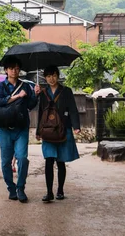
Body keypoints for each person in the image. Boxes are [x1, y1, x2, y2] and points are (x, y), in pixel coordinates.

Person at [0, 56, 37, 203]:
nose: (14, 71)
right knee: (6, 161)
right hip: (5, 128)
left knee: (22, 158)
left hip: (21, 127)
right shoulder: (1, 86)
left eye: (17, 68)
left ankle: (20, 188)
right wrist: (17, 96)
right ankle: (11, 188)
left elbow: (30, 105)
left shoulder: (25, 86)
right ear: (6, 70)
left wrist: (35, 95)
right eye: (11, 68)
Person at [34, 65, 81, 202]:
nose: (51, 79)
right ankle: (49, 192)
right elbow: (41, 113)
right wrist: (38, 131)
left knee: (60, 161)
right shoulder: (43, 93)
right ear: (45, 78)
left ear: (58, 76)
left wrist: (76, 126)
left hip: (63, 129)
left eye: (54, 75)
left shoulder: (66, 91)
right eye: (48, 76)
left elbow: (73, 109)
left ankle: (60, 190)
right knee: (48, 160)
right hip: (48, 131)